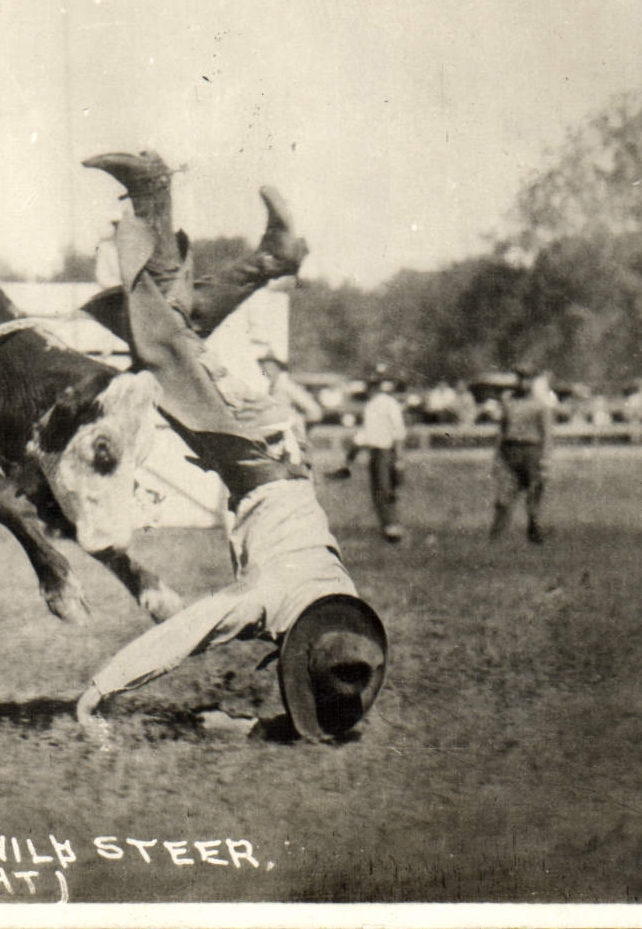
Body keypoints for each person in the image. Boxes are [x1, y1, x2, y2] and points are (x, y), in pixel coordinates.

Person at [72, 150, 387, 747]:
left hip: (276, 457)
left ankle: (255, 250)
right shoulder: (267, 601)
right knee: (162, 344)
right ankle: (166, 204)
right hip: (256, 456)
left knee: (172, 333)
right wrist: (100, 690)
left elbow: (321, 709)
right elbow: (183, 633)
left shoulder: (339, 601)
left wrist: (248, 730)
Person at [333, 367, 407, 543]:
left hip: (385, 451)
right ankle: (388, 526)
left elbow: (398, 431)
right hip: (377, 451)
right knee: (381, 489)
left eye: (373, 385)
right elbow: (367, 433)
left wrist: (399, 457)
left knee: (384, 488)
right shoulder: (372, 405)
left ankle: (392, 526)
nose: (370, 388)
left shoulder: (387, 403)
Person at [490, 363, 555, 544]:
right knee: (503, 496)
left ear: (533, 381)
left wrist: (546, 459)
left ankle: (534, 533)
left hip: (531, 451)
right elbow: (502, 431)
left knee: (534, 493)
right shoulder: (508, 402)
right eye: (520, 378)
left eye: (527, 379)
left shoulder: (541, 405)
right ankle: (496, 539)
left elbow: (547, 434)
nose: (522, 383)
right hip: (510, 451)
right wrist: (497, 457)